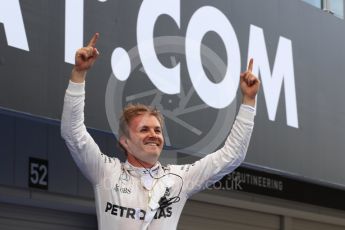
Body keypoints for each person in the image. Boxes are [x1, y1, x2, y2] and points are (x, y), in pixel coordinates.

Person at [61, 33, 260, 230]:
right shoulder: (106, 172)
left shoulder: (179, 179)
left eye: (157, 130)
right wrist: (79, 75)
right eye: (144, 129)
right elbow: (73, 132)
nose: (154, 135)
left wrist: (249, 101)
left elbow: (232, 155)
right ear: (125, 141)